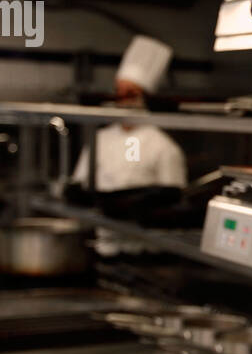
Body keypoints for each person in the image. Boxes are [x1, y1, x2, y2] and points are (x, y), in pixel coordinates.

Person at [69, 34, 187, 254]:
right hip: (101, 247)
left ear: (146, 97)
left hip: (145, 252)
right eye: (118, 93)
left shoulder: (164, 147)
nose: (121, 101)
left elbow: (174, 207)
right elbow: (79, 185)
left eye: (130, 94)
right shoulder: (99, 139)